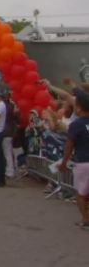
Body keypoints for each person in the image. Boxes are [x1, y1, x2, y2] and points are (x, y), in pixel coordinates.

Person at [58, 92, 89, 230]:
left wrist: (64, 162)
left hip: (83, 162)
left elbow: (69, 145)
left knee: (81, 193)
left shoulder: (76, 124)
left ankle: (86, 219)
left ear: (79, 108)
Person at [2, 94, 17, 179]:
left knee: (7, 152)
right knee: (8, 152)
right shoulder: (11, 106)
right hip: (10, 131)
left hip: (5, 131)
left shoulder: (5, 107)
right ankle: (10, 170)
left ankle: (10, 171)